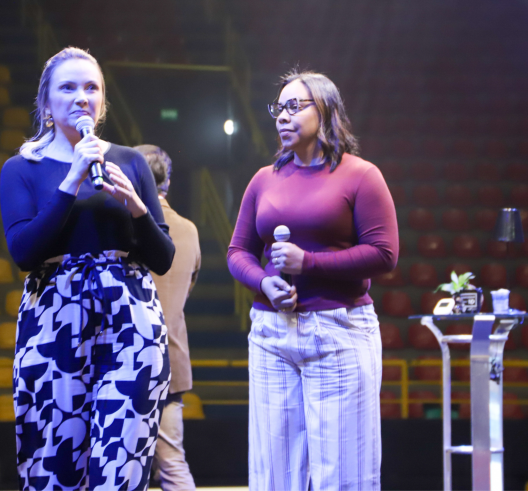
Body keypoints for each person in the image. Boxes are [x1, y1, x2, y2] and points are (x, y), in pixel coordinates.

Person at [0, 47, 175, 491]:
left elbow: (163, 258)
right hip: (55, 320)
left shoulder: (131, 162)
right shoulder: (22, 168)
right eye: (68, 87)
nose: (82, 96)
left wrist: (136, 207)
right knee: (54, 466)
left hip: (130, 321)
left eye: (91, 87)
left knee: (120, 466)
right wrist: (70, 180)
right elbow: (24, 252)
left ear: (102, 102)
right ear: (46, 104)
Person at [227, 70, 399, 491]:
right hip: (271, 333)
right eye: (278, 108)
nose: (282, 117)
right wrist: (263, 284)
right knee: (272, 476)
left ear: (324, 110)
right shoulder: (263, 179)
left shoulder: (361, 175)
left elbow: (384, 254)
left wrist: (310, 264)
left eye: (293, 106)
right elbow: (238, 252)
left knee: (344, 477)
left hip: (338, 332)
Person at [136, 144, 200, 491]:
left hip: (126, 360)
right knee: (173, 462)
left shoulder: (124, 226)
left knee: (123, 466)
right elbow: (186, 289)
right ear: (168, 183)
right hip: (172, 361)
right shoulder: (189, 229)